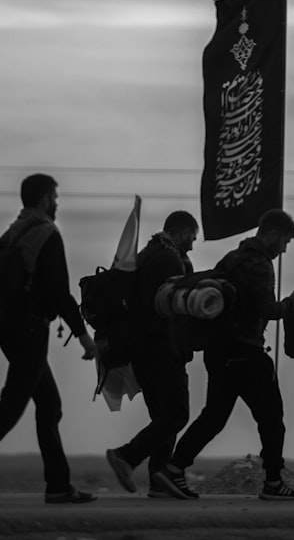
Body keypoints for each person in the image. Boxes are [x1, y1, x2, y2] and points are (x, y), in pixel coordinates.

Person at [0, 174, 98, 504]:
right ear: (44, 199)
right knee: (11, 407)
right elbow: (58, 291)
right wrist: (83, 336)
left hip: (12, 332)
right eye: (54, 197)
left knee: (49, 406)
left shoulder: (14, 232)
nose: (56, 203)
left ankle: (58, 486)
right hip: (29, 332)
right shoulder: (46, 234)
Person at [155, 209, 294, 501]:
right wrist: (293, 303)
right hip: (247, 352)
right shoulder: (260, 264)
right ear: (273, 234)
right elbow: (267, 310)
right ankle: (274, 483)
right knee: (272, 418)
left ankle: (172, 469)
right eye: (285, 240)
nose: (284, 248)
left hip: (219, 350)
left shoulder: (231, 258)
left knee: (213, 417)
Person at [106, 211, 199, 498]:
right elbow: (172, 309)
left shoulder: (146, 254)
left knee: (162, 416)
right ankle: (126, 456)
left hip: (140, 350)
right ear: (182, 233)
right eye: (192, 239)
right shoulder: (169, 259)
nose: (193, 246)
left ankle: (159, 482)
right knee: (176, 414)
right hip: (161, 347)